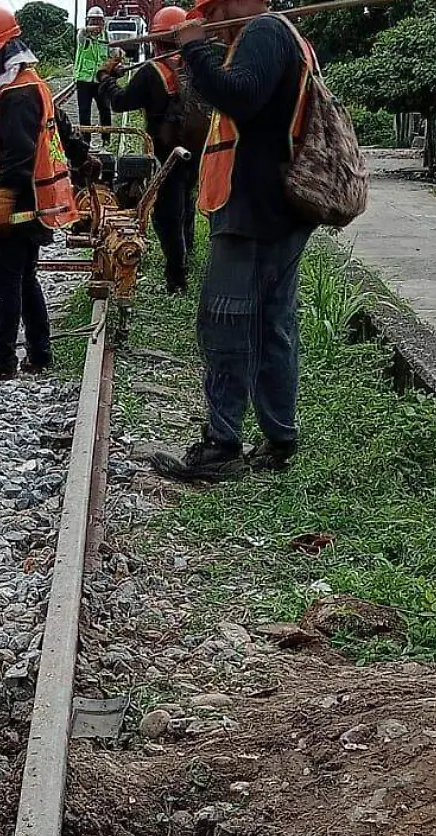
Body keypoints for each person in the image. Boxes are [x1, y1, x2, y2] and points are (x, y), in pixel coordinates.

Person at [150, 0, 314, 484]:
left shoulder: (265, 31)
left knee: (226, 327)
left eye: (217, 5)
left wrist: (196, 49)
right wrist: (199, 58)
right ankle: (279, 437)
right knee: (269, 327)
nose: (214, 12)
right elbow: (232, 102)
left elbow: (239, 96)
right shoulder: (273, 36)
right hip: (269, 209)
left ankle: (222, 445)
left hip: (255, 213)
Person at [0, 4, 90, 383]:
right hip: (32, 203)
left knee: (6, 282)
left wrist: (0, 200)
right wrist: (83, 155)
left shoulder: (16, 94)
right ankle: (40, 351)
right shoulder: (31, 82)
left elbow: (18, 156)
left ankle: (1, 361)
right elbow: (61, 126)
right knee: (25, 278)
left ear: (6, 48)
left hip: (18, 206)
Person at [96, 5, 206, 292]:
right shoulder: (194, 65)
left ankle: (176, 279)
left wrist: (106, 79)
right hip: (194, 148)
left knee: (166, 215)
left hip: (166, 152)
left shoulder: (151, 72)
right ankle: (187, 254)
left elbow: (120, 103)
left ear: (154, 40)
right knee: (186, 201)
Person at [74, 8, 113, 131]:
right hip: (84, 80)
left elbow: (113, 54)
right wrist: (89, 29)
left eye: (99, 21)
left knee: (105, 110)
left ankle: (105, 141)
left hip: (101, 81)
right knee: (84, 112)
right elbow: (81, 32)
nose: (96, 24)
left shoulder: (107, 37)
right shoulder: (83, 37)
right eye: (93, 21)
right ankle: (85, 142)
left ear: (103, 22)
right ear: (88, 22)